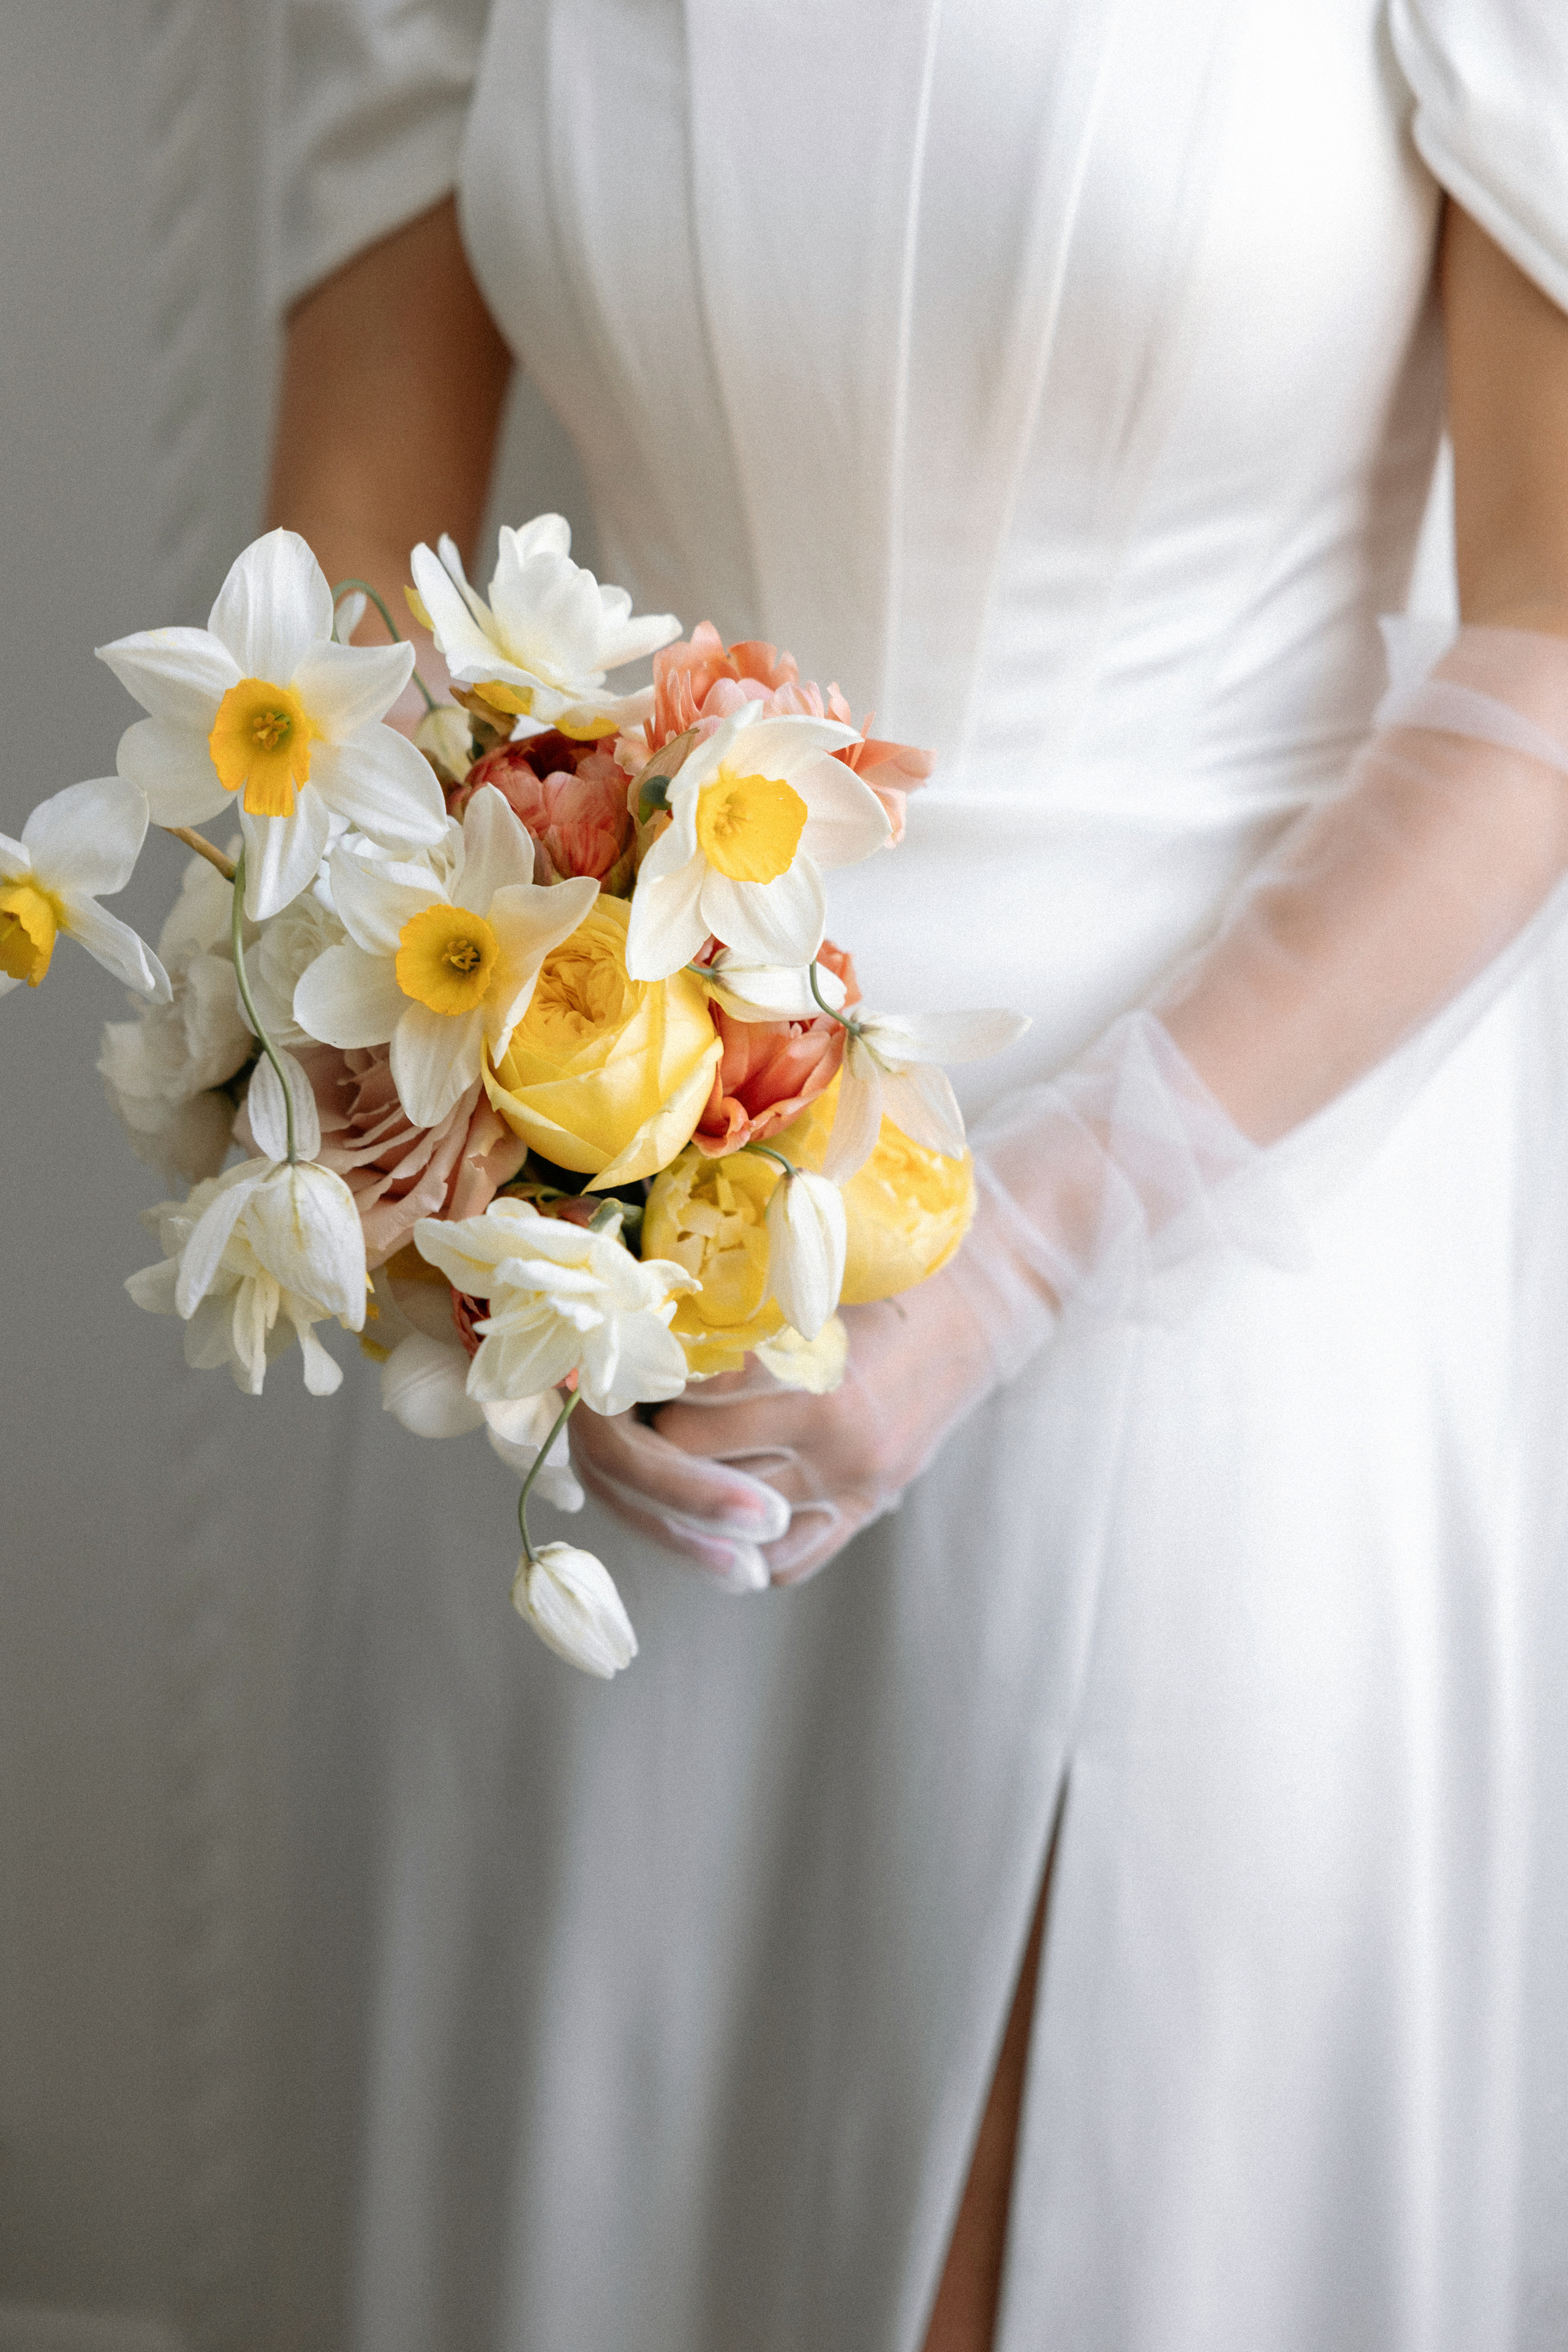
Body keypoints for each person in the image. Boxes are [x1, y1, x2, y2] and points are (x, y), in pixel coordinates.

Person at [264, 3, 1568, 2345]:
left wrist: (1024, 1253)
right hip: (587, 1249)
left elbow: (1556, 648)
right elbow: (356, 546)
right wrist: (447, 1115)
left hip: (1224, 1215)